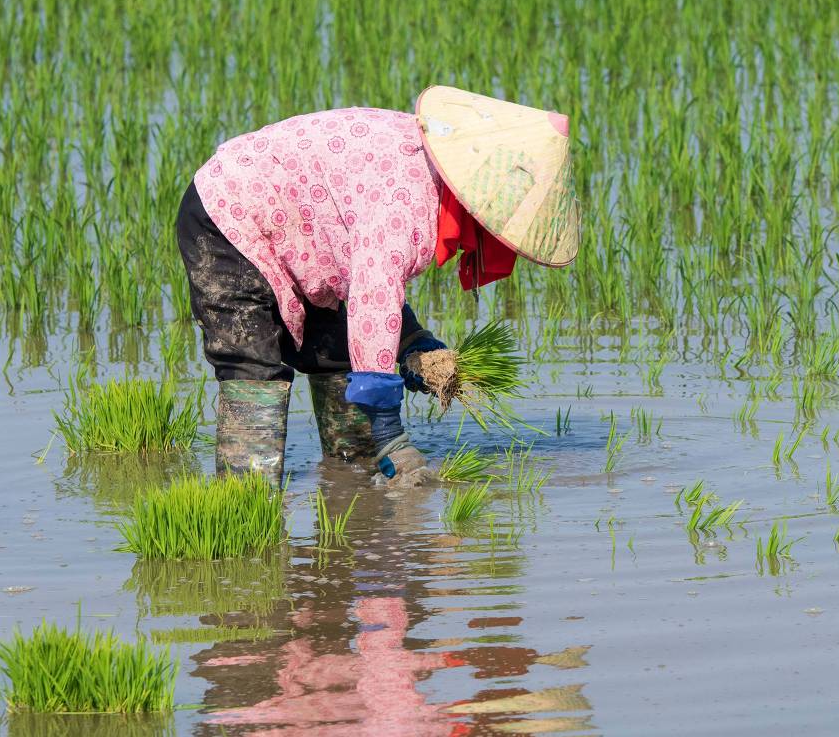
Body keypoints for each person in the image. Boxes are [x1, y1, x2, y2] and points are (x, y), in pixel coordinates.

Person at [174, 86, 578, 489]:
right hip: (230, 211)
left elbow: (371, 282)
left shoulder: (431, 169)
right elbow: (373, 292)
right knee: (251, 363)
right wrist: (390, 430)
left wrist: (414, 341)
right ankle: (247, 505)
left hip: (307, 231)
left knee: (338, 354)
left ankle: (351, 483)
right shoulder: (410, 203)